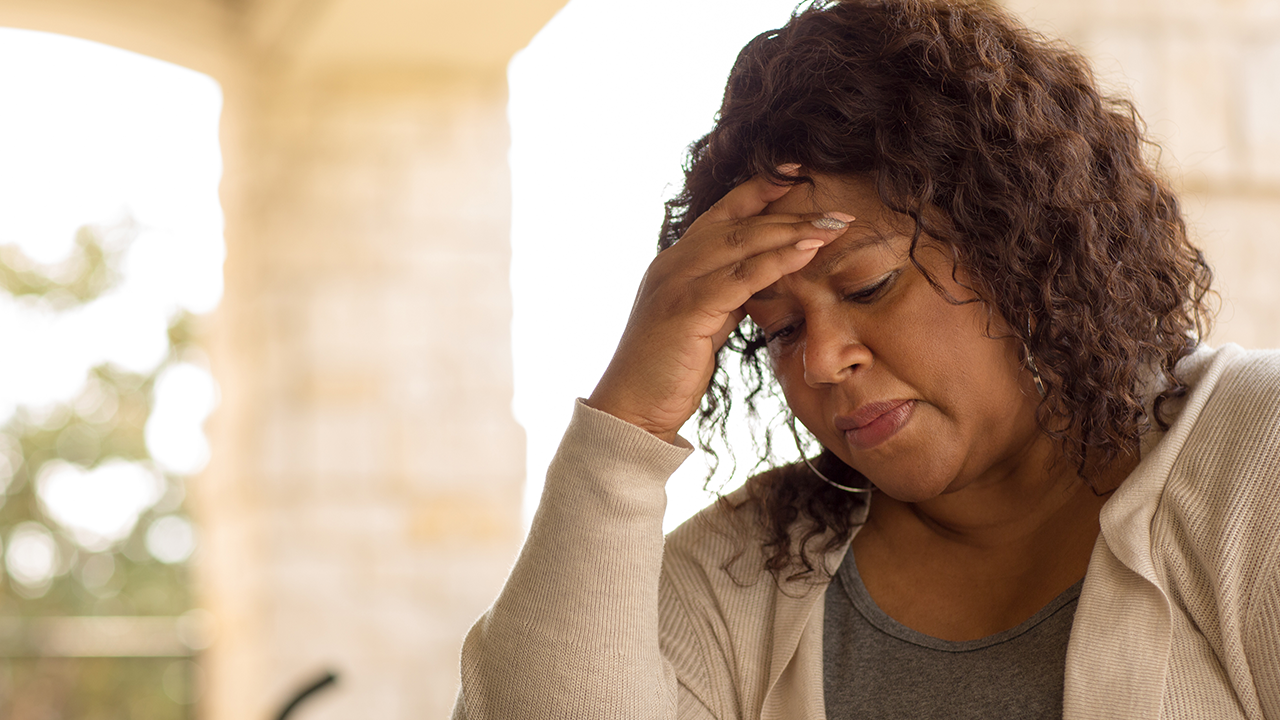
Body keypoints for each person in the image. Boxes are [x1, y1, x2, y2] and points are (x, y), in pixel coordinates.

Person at [453, 1, 1280, 718]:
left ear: (1019, 250)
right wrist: (626, 426)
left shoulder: (1253, 461)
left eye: (870, 285)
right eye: (777, 330)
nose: (820, 361)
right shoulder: (744, 576)